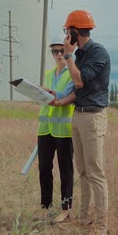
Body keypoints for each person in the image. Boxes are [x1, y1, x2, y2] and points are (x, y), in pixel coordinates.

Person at [60, 10, 111, 235]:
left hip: (92, 118)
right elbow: (76, 89)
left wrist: (68, 56)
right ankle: (84, 219)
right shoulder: (79, 55)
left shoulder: (97, 52)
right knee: (82, 171)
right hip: (78, 116)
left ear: (74, 31)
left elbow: (80, 80)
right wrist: (57, 100)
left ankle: (101, 230)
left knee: (95, 172)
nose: (65, 35)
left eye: (66, 31)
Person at [36, 35, 77, 223]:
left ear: (68, 51)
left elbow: (65, 95)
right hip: (45, 128)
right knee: (44, 168)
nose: (58, 54)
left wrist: (49, 92)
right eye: (55, 51)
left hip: (64, 130)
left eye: (61, 50)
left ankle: (66, 208)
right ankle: (45, 206)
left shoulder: (73, 72)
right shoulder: (48, 73)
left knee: (65, 170)